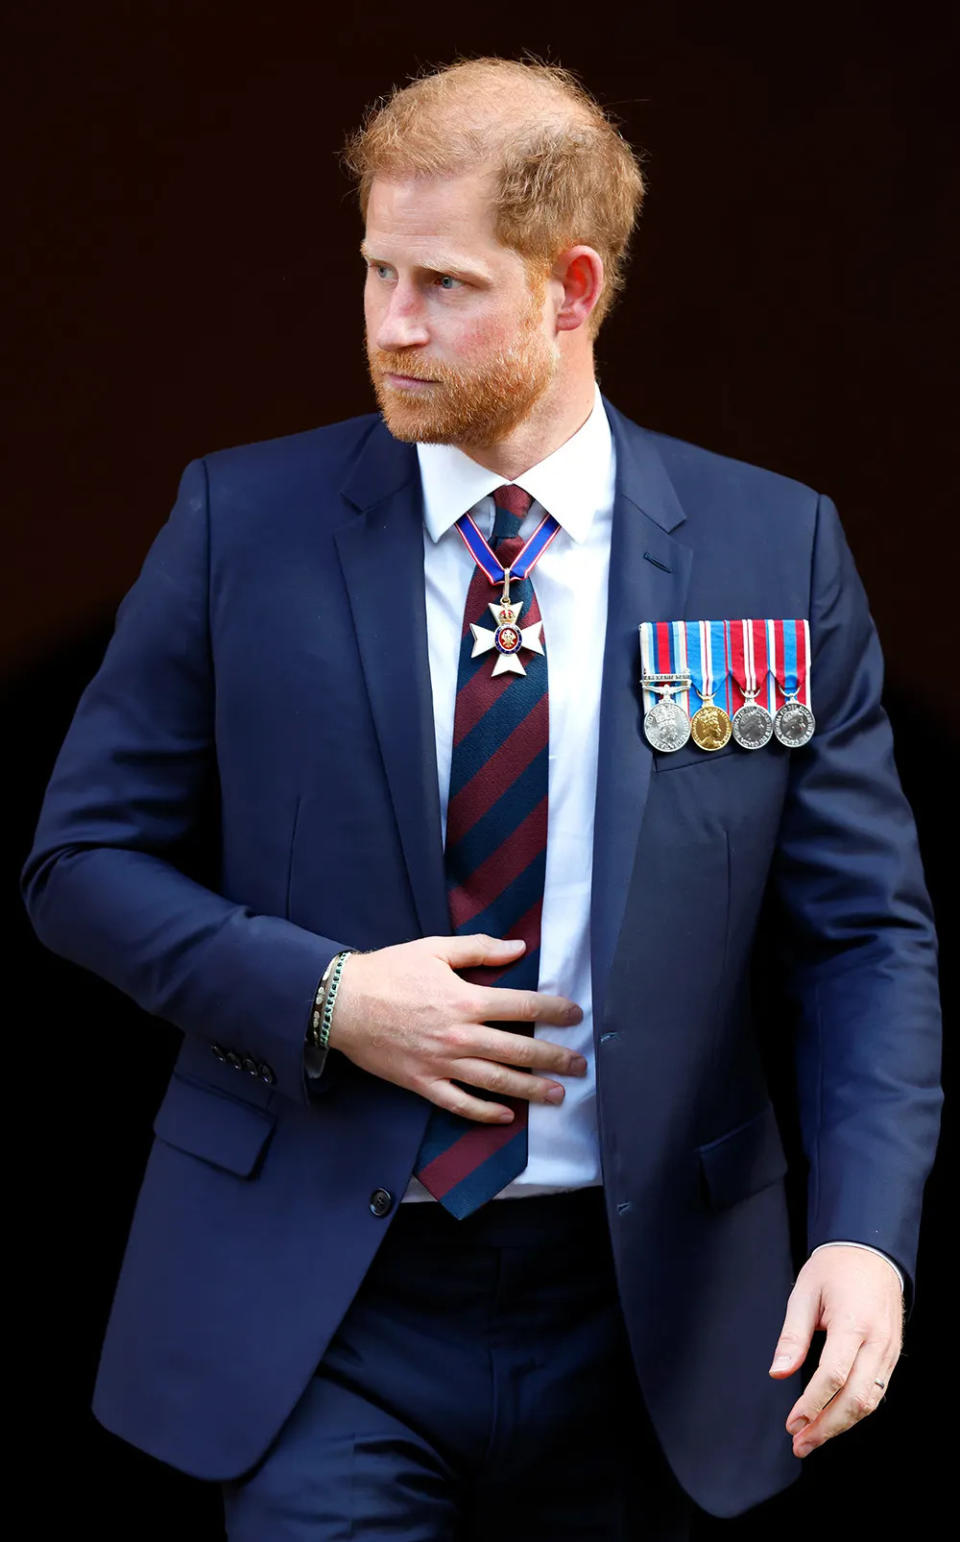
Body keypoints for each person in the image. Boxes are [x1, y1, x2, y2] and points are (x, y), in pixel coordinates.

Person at [21, 56, 942, 1540]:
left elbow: (865, 936)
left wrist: (864, 1231)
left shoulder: (772, 552)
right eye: (377, 269)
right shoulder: (235, 526)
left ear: (572, 291)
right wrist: (326, 993)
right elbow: (77, 861)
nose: (390, 322)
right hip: (325, 1304)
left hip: (656, 1313)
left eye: (442, 283)